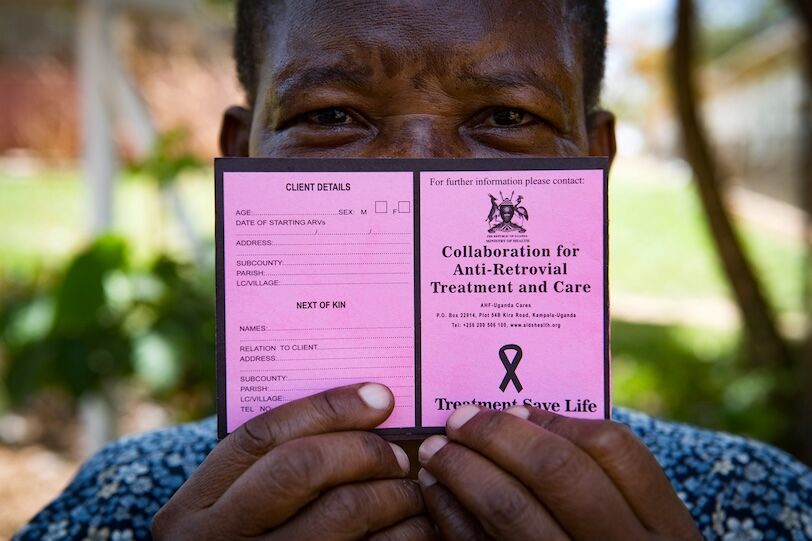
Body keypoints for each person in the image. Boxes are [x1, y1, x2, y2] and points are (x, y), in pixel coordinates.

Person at [16, 1, 812, 539]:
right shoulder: (118, 504)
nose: (416, 170)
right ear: (241, 154)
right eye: (330, 116)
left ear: (592, 162)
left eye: (507, 118)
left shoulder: (757, 503)